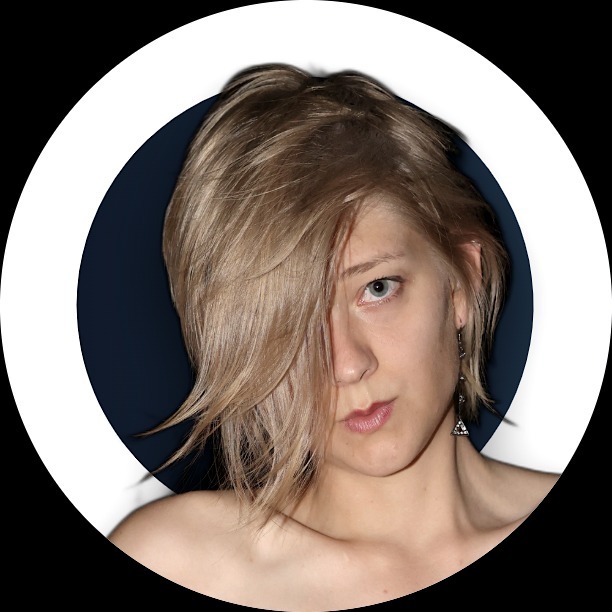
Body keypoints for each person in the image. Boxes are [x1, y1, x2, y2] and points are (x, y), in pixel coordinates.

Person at [108, 63, 559, 610]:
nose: (345, 364)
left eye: (377, 288)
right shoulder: (184, 566)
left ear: (462, 282)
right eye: (290, 322)